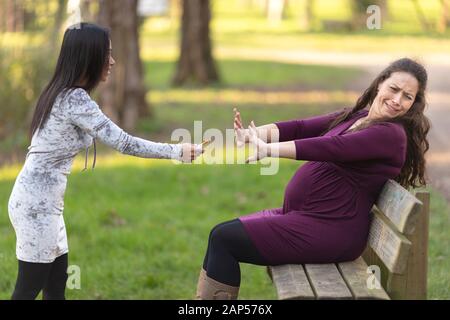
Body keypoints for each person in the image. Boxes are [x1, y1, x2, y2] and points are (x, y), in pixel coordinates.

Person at [196, 58, 430, 300]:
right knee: (220, 236)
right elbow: (301, 127)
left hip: (331, 230)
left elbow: (332, 147)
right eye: (394, 89)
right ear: (381, 83)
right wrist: (254, 133)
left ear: (413, 104)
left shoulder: (390, 135)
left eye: (407, 97)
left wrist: (269, 150)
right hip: (310, 219)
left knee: (224, 240)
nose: (397, 100)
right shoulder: (359, 116)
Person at [8, 23, 202, 300]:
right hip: (36, 208)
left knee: (55, 290)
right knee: (27, 291)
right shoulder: (74, 99)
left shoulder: (61, 92)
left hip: (44, 205)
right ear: (89, 56)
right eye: (106, 54)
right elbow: (124, 143)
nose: (112, 62)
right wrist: (176, 152)